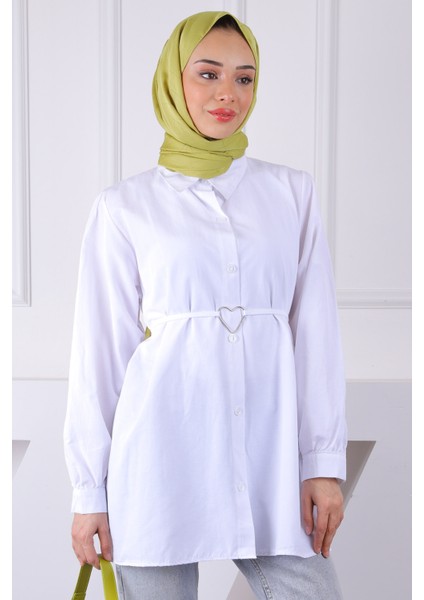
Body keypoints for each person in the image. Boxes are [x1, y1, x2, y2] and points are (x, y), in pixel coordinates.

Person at [64, 11, 347, 600]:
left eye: (244, 78)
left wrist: (322, 463)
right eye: (208, 73)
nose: (228, 94)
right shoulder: (124, 207)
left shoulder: (291, 193)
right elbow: (100, 355)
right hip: (157, 456)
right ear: (174, 80)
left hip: (270, 458)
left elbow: (316, 334)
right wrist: (90, 492)